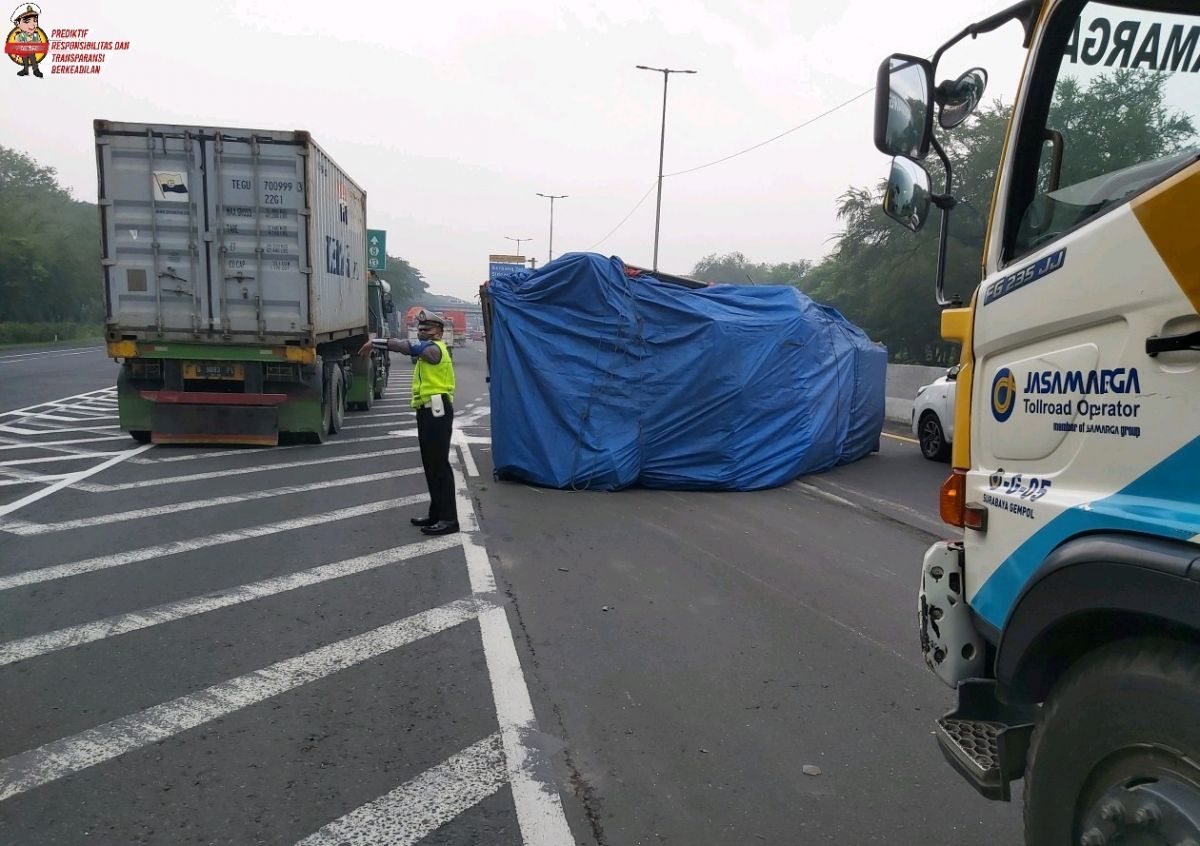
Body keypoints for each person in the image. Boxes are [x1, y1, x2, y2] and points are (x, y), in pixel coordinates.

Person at [359, 309, 458, 535]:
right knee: (431, 465)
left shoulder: (435, 349)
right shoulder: (427, 349)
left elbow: (408, 347)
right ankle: (437, 513)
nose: (423, 333)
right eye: (421, 329)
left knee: (439, 466)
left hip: (438, 411)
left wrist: (377, 342)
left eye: (428, 329)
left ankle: (449, 518)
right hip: (427, 411)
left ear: (440, 333)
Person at [11, 3, 45, 78]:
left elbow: (39, 44)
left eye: (35, 20)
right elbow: (17, 44)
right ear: (18, 24)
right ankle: (25, 70)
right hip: (24, 51)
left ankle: (36, 70)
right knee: (24, 59)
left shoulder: (35, 34)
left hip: (31, 50)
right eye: (26, 21)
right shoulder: (19, 35)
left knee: (33, 59)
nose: (32, 25)